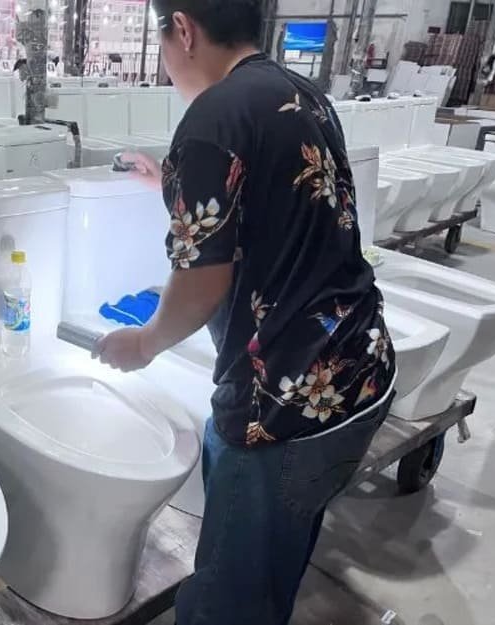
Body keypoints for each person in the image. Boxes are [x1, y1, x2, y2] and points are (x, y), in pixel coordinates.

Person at [93, 1, 396, 624]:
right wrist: (170, 183)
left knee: (226, 602)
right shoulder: (301, 93)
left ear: (182, 29)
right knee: (277, 559)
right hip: (359, 377)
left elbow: (201, 285)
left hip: (282, 406)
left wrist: (143, 344)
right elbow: (279, 198)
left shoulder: (211, 119)